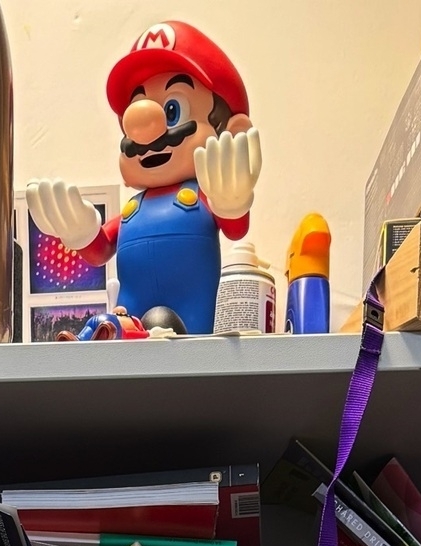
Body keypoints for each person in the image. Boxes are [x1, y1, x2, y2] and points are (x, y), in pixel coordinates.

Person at [27, 20, 262, 338]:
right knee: (119, 332)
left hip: (191, 317)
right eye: (134, 115)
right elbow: (100, 250)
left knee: (187, 358)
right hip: (131, 317)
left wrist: (232, 202)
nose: (145, 130)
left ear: (228, 132)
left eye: (173, 109)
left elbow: (236, 228)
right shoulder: (132, 209)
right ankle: (92, 337)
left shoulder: (206, 196)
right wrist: (81, 233)